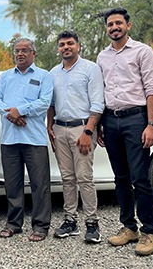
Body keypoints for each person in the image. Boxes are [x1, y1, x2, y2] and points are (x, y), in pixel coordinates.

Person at [97, 7, 153, 255]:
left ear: (128, 26)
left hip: (136, 119)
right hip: (111, 120)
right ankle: (129, 227)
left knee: (140, 179)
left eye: (118, 23)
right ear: (107, 28)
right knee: (120, 179)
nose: (114, 27)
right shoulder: (102, 56)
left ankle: (150, 232)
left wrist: (150, 124)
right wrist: (101, 123)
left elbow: (151, 88)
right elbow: (100, 92)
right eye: (110, 24)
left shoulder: (142, 51)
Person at [0, 38, 53, 242]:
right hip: (9, 138)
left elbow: (44, 102)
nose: (20, 54)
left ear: (33, 53)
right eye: (17, 50)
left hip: (34, 138)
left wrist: (20, 111)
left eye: (25, 50)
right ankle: (13, 224)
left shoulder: (44, 76)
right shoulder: (6, 76)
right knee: (12, 184)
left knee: (39, 185)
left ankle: (41, 226)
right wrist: (11, 114)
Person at [47, 31, 104, 243]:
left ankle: (92, 223)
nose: (66, 47)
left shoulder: (91, 69)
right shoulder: (53, 73)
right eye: (62, 44)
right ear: (58, 48)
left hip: (82, 128)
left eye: (70, 43)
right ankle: (70, 220)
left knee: (84, 177)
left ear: (78, 46)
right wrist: (49, 126)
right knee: (67, 178)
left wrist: (89, 131)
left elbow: (98, 103)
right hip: (60, 129)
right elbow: (51, 103)